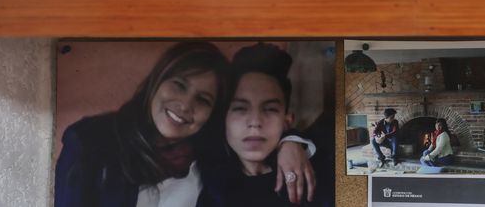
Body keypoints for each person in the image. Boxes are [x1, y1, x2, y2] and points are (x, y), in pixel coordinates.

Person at [54, 42, 313, 207]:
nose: (185, 105)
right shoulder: (90, 141)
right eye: (178, 85)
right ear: (157, 82)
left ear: (213, 113)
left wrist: (289, 140)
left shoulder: (211, 156)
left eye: (203, 99)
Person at [198, 43, 316, 206]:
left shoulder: (315, 175)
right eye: (240, 108)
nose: (255, 122)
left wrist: (292, 139)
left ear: (287, 121)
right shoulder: (208, 189)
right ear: (223, 119)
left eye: (270, 109)